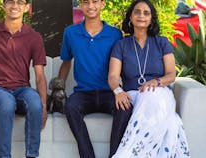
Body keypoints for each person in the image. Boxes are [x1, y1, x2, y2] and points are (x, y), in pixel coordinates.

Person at [108, 0, 190, 157]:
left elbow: (171, 74)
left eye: (146, 13)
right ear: (130, 17)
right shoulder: (121, 45)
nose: (141, 16)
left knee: (152, 95)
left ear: (151, 19)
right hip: (133, 94)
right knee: (171, 123)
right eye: (137, 12)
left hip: (159, 93)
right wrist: (118, 90)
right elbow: (113, 76)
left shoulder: (161, 42)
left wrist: (157, 82)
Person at [57, 0, 132, 157]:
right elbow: (66, 62)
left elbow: (120, 65)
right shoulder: (70, 33)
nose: (90, 6)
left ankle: (115, 155)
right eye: (86, 2)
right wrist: (59, 87)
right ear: (80, 5)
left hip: (109, 92)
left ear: (103, 4)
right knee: (70, 107)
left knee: (126, 108)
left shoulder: (115, 34)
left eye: (95, 1)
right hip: (84, 93)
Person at [0, 0, 47, 158]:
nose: (15, 5)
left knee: (35, 103)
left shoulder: (34, 37)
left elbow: (39, 75)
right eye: (10, 1)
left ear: (26, 7)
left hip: (22, 88)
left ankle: (32, 154)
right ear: (3, 5)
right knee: (7, 103)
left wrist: (44, 105)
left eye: (20, 2)